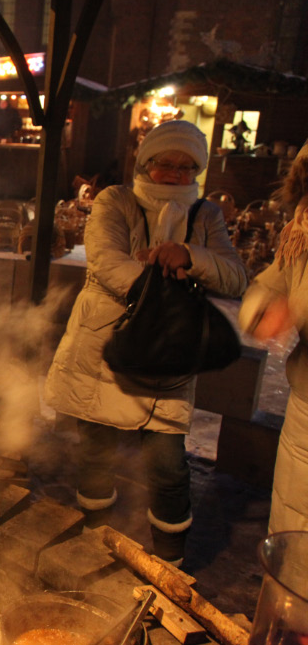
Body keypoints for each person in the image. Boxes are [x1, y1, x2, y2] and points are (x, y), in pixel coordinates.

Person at [44, 120, 247, 565]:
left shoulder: (206, 215)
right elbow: (106, 263)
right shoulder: (116, 200)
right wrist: (167, 279)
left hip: (169, 356)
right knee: (95, 451)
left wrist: (191, 255)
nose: (174, 174)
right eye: (165, 164)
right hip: (105, 348)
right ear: (145, 163)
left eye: (186, 166)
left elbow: (234, 276)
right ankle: (95, 540)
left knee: (168, 465)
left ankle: (167, 563)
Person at [238, 141, 308, 533]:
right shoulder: (303, 226)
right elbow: (277, 279)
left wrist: (298, 308)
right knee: (292, 526)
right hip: (305, 406)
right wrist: (265, 305)